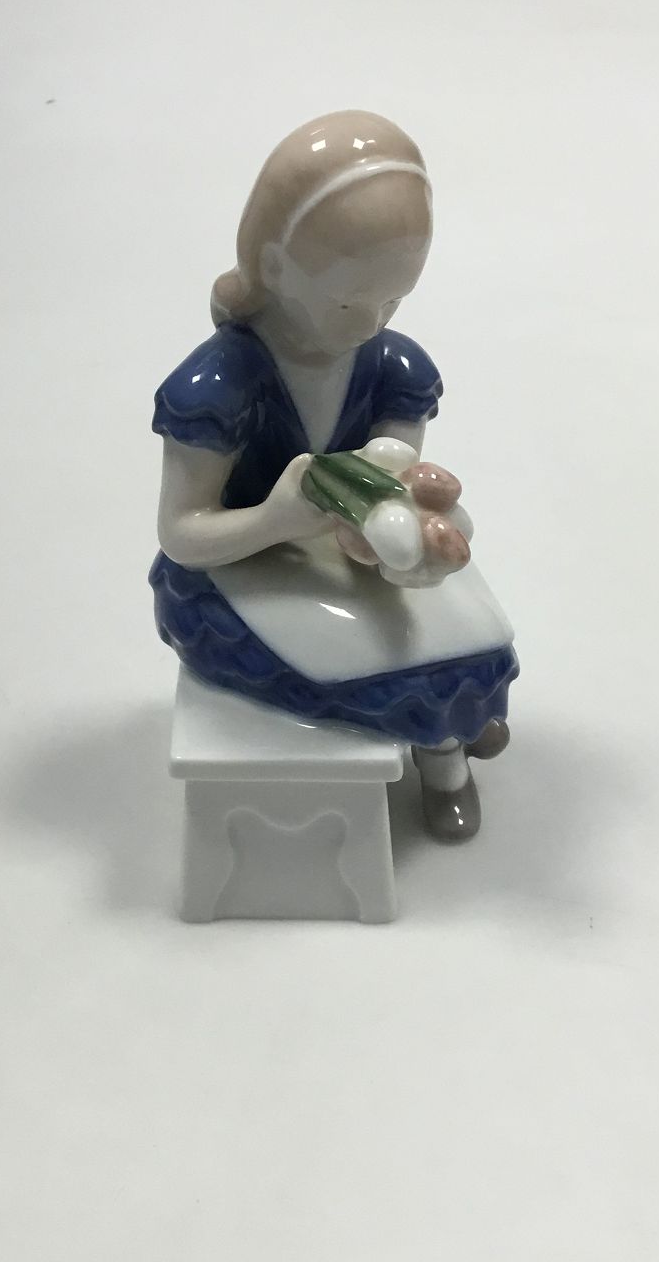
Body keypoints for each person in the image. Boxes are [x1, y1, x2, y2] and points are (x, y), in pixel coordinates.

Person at [150, 110, 518, 840]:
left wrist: (399, 509)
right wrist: (279, 518)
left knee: (468, 620)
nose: (372, 322)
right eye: (350, 300)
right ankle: (445, 753)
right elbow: (181, 534)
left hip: (348, 550)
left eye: (394, 299)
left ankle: (458, 720)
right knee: (408, 650)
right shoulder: (217, 389)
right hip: (238, 569)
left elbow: (391, 471)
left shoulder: (395, 365)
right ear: (276, 267)